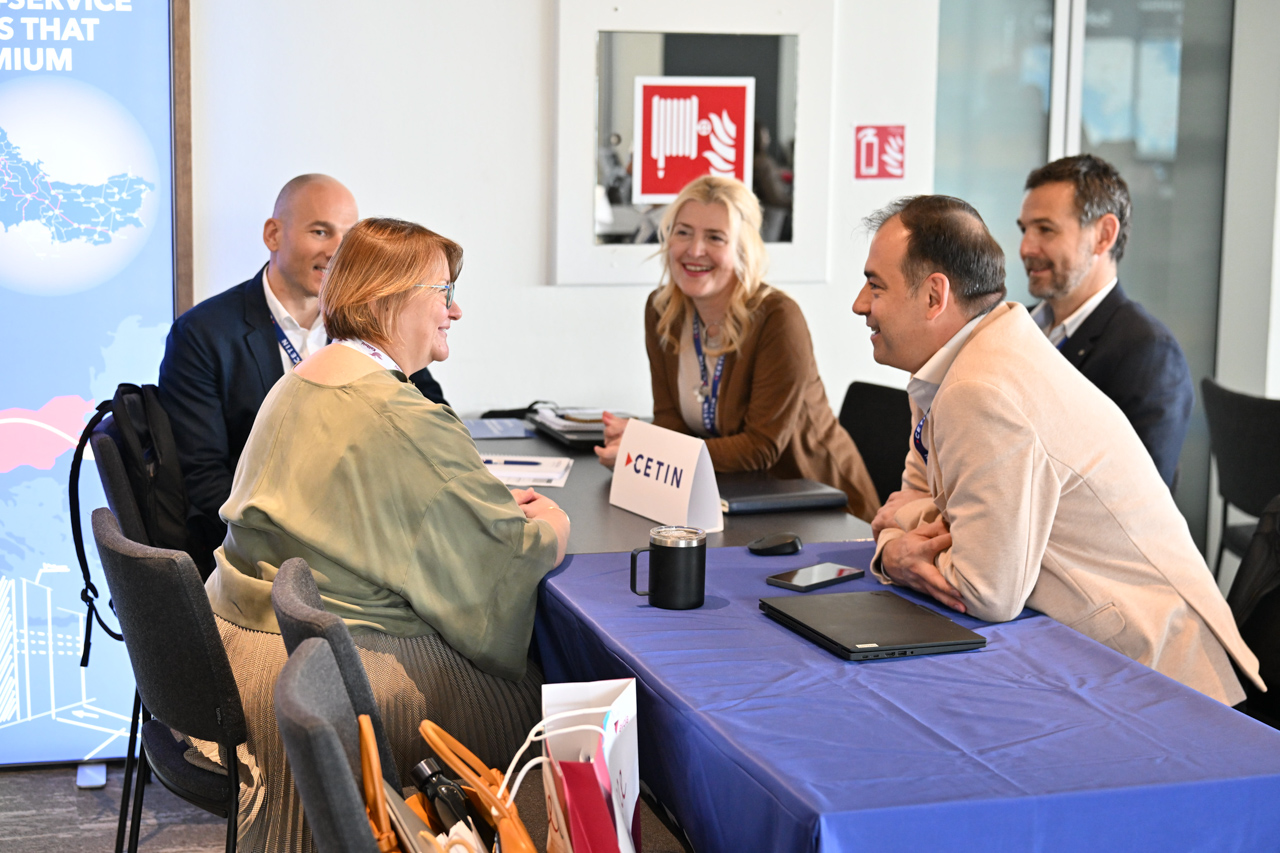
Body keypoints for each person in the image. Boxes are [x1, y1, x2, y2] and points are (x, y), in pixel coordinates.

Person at [200, 218, 569, 851]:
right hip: (339, 680)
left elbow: (360, 504)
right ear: (385, 300)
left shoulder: (302, 380)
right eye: (443, 292)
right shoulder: (400, 415)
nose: (455, 310)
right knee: (547, 707)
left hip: (253, 655)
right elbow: (503, 560)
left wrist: (471, 508)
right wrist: (553, 529)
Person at [853, 194, 1261, 706]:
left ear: (935, 296)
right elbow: (917, 496)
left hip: (1163, 682)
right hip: (1095, 655)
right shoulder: (951, 364)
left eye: (875, 285)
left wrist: (899, 534)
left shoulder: (979, 387)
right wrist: (900, 544)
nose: (860, 304)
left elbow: (983, 589)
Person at [158, 175, 449, 575]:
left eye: (348, 237)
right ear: (273, 234)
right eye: (320, 232)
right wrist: (312, 547)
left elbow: (430, 417)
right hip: (266, 559)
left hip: (369, 536)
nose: (337, 251)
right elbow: (205, 483)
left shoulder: (373, 320)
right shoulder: (203, 334)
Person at [594, 175, 880, 522]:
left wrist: (649, 447)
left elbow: (760, 448)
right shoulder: (662, 311)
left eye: (715, 237)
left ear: (743, 249)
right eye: (683, 232)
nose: (694, 250)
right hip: (729, 498)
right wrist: (645, 446)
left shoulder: (777, 318)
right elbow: (671, 420)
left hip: (821, 510)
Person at [1018, 154, 1193, 488]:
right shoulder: (1016, 327)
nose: (1026, 247)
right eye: (1024, 229)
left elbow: (1139, 502)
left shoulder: (1149, 353)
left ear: (1103, 235)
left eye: (1045, 229)